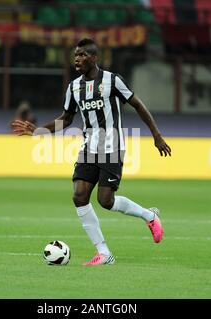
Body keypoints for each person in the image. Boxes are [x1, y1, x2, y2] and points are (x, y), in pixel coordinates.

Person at [11, 38, 171, 266]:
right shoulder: (74, 87)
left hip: (112, 145)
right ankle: (104, 253)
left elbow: (138, 105)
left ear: (94, 58)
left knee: (105, 200)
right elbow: (66, 119)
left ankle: (149, 216)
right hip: (89, 147)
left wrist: (156, 135)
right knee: (79, 195)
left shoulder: (112, 81)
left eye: (82, 55)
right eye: (75, 55)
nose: (77, 59)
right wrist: (38, 130)